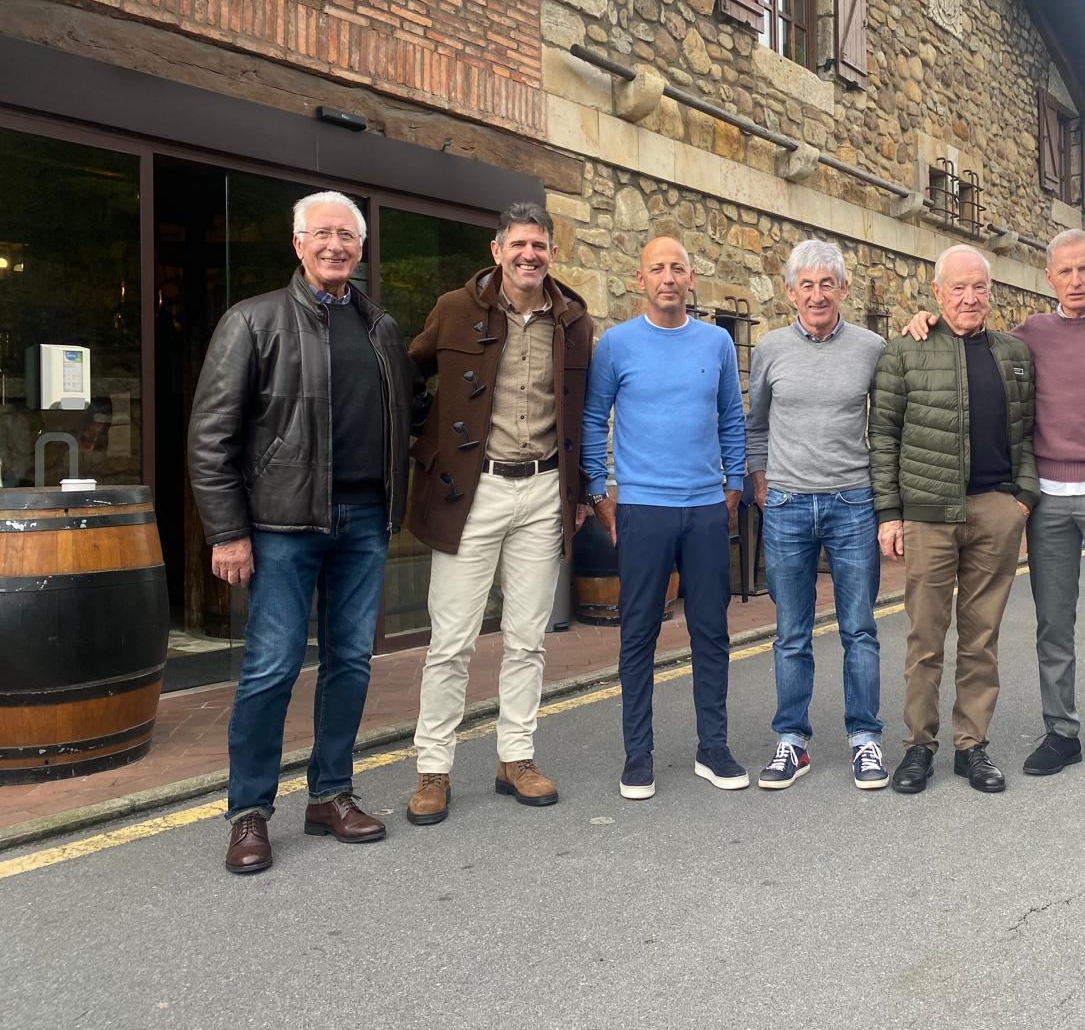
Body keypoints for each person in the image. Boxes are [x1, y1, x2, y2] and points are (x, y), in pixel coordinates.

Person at [188, 190, 417, 875]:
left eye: (347, 236)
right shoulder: (251, 322)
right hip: (281, 525)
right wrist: (227, 531)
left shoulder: (381, 328)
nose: (335, 246)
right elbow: (210, 438)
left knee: (349, 663)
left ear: (361, 247)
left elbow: (410, 410)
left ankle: (330, 794)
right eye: (322, 234)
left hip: (364, 521)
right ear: (297, 243)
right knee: (271, 667)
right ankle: (249, 811)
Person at [904, 229, 1085, 788]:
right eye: (1064, 272)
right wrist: (922, 321)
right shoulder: (1027, 337)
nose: (1075, 281)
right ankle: (1062, 732)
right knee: (1054, 623)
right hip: (1048, 497)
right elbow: (966, 340)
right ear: (1048, 278)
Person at [404, 201, 594, 826]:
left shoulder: (574, 320)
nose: (529, 256)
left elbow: (582, 412)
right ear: (497, 250)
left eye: (539, 246)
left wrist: (585, 489)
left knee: (527, 639)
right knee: (450, 640)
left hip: (543, 492)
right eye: (518, 245)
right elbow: (410, 371)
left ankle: (516, 758)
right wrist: (421, 444)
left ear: (551, 253)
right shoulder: (455, 309)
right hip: (472, 491)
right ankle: (433, 769)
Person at [581, 236, 747, 800]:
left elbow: (731, 416)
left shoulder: (718, 341)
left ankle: (714, 747)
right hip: (643, 508)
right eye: (658, 269)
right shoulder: (617, 345)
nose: (668, 277)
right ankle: (638, 755)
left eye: (678, 268)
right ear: (641, 279)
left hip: (704, 507)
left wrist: (736, 483)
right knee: (639, 632)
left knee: (710, 629)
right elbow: (592, 419)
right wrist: (599, 490)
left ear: (692, 278)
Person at [871, 245, 1037, 795]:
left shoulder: (1014, 353)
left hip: (995, 509)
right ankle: (920, 746)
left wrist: (1023, 499)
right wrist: (891, 514)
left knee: (981, 636)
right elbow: (883, 437)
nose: (969, 298)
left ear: (990, 291)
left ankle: (973, 746)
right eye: (958, 288)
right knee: (925, 635)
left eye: (979, 287)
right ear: (937, 293)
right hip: (928, 514)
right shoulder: (904, 351)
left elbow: (1027, 432)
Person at [746, 241, 888, 791]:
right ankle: (792, 742)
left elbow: (890, 421)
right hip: (785, 505)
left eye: (827, 283)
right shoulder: (771, 349)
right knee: (791, 633)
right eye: (806, 285)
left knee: (860, 629)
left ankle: (865, 739)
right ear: (790, 293)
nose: (817, 294)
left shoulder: (873, 348)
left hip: (853, 502)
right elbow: (755, 424)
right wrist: (760, 482)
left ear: (844, 290)